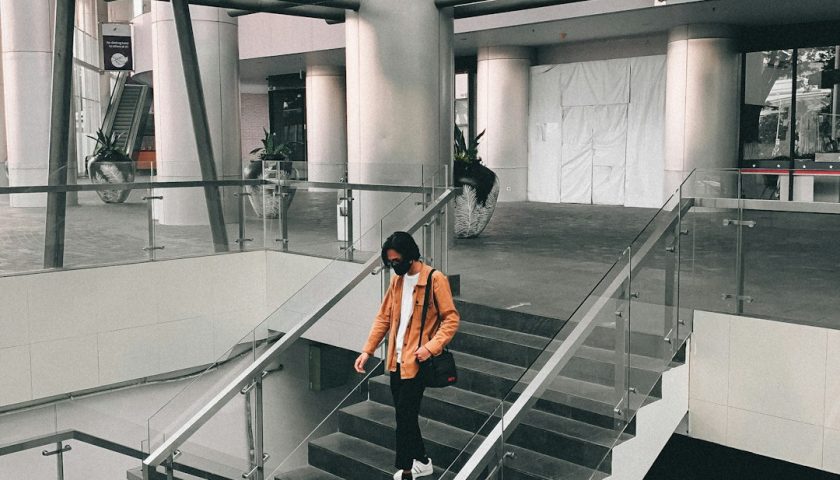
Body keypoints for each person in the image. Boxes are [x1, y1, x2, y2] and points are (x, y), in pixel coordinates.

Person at [354, 232, 460, 480]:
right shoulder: (397, 282)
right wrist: (367, 350)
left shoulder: (434, 279)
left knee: (404, 416)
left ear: (410, 255)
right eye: (390, 262)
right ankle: (422, 460)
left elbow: (451, 319)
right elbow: (383, 318)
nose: (394, 266)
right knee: (405, 416)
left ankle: (406, 470)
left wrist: (430, 347)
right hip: (396, 361)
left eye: (397, 260)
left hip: (418, 362)